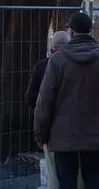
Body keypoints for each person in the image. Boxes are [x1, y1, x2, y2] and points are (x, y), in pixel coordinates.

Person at [33, 13, 99, 189]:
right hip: (94, 133)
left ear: (71, 31)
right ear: (90, 31)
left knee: (66, 181)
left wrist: (40, 133)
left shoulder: (58, 60)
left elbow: (44, 101)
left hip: (63, 135)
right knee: (93, 179)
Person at [27, 31, 72, 189]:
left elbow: (32, 97)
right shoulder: (80, 63)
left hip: (52, 124)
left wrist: (41, 123)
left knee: (54, 168)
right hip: (79, 124)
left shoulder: (42, 66)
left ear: (52, 47)